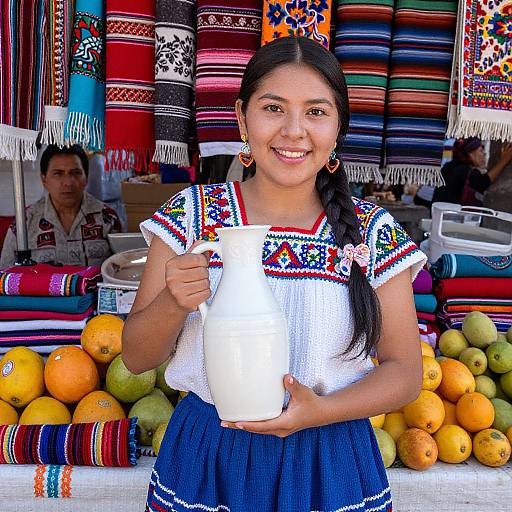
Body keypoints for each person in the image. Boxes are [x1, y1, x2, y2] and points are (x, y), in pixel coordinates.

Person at [123, 37, 426, 512]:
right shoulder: (191, 218)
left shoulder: (372, 232)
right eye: (273, 108)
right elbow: (138, 357)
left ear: (338, 128)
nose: (293, 130)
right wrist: (172, 302)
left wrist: (318, 412)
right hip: (209, 458)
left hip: (331, 461)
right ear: (243, 119)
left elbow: (406, 375)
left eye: (316, 112)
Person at [0, 145, 122, 268]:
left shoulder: (107, 218)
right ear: (44, 179)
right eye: (58, 174)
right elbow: (5, 276)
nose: (68, 182)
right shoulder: (24, 223)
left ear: (86, 178)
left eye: (76, 173)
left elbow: (122, 271)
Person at [432, 138, 512, 206]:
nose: (484, 153)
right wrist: (504, 160)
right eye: (480, 150)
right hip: (451, 217)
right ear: (470, 154)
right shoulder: (463, 170)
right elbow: (484, 182)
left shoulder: (450, 166)